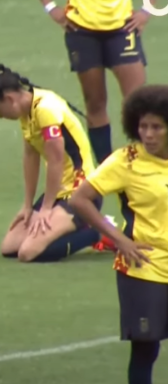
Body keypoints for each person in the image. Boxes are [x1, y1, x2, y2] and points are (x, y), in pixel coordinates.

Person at [69, 85, 168, 384]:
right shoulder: (126, 160)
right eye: (143, 126)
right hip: (144, 266)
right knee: (145, 349)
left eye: (157, 127)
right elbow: (80, 199)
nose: (148, 134)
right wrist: (120, 239)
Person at [25, 0, 160, 164]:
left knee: (139, 103)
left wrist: (147, 8)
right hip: (82, 30)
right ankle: (106, 169)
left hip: (122, 27)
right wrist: (51, 8)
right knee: (95, 103)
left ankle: (144, 164)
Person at [0, 64, 109, 263]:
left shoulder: (46, 109)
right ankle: (67, 225)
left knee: (28, 252)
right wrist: (27, 206)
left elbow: (56, 160)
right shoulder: (26, 111)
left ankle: (99, 231)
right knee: (9, 247)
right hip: (59, 191)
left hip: (81, 192)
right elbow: (31, 156)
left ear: (9, 99)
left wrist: (46, 209)